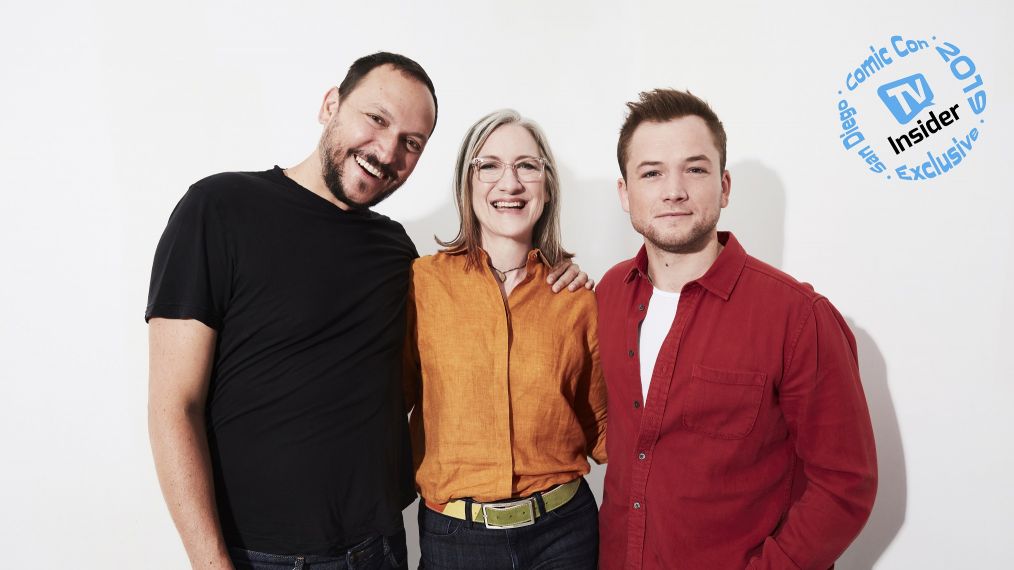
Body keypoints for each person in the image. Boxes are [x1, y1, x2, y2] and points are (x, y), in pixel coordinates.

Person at [145, 53, 588, 570]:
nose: (386, 150)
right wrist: (210, 563)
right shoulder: (218, 208)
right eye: (376, 119)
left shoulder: (397, 252)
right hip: (258, 555)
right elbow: (173, 406)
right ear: (330, 104)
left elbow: (453, 363)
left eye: (411, 142)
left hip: (377, 549)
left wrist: (554, 276)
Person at [595, 89, 877, 569]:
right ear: (625, 193)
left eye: (695, 169)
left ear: (724, 186)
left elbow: (845, 482)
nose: (674, 190)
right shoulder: (608, 294)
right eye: (651, 172)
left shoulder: (798, 316)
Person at [404, 109, 608, 569]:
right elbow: (386, 403)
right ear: (466, 181)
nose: (509, 183)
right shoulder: (421, 284)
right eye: (489, 165)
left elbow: (604, 426)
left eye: (527, 166)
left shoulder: (577, 299)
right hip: (456, 539)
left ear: (547, 185)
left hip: (565, 536)